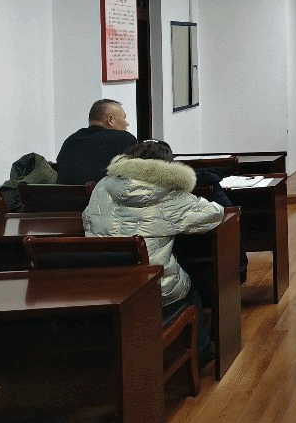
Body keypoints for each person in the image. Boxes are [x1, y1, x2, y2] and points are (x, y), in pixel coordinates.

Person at [83, 139, 224, 364]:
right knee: (190, 285)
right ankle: (201, 350)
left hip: (104, 283)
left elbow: (87, 220)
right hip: (152, 289)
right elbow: (213, 214)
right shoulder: (168, 191)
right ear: (167, 166)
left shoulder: (103, 185)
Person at [56, 99, 138, 184]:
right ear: (110, 120)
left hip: (64, 193)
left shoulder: (71, 140)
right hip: (104, 192)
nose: (127, 123)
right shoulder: (125, 139)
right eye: (124, 118)